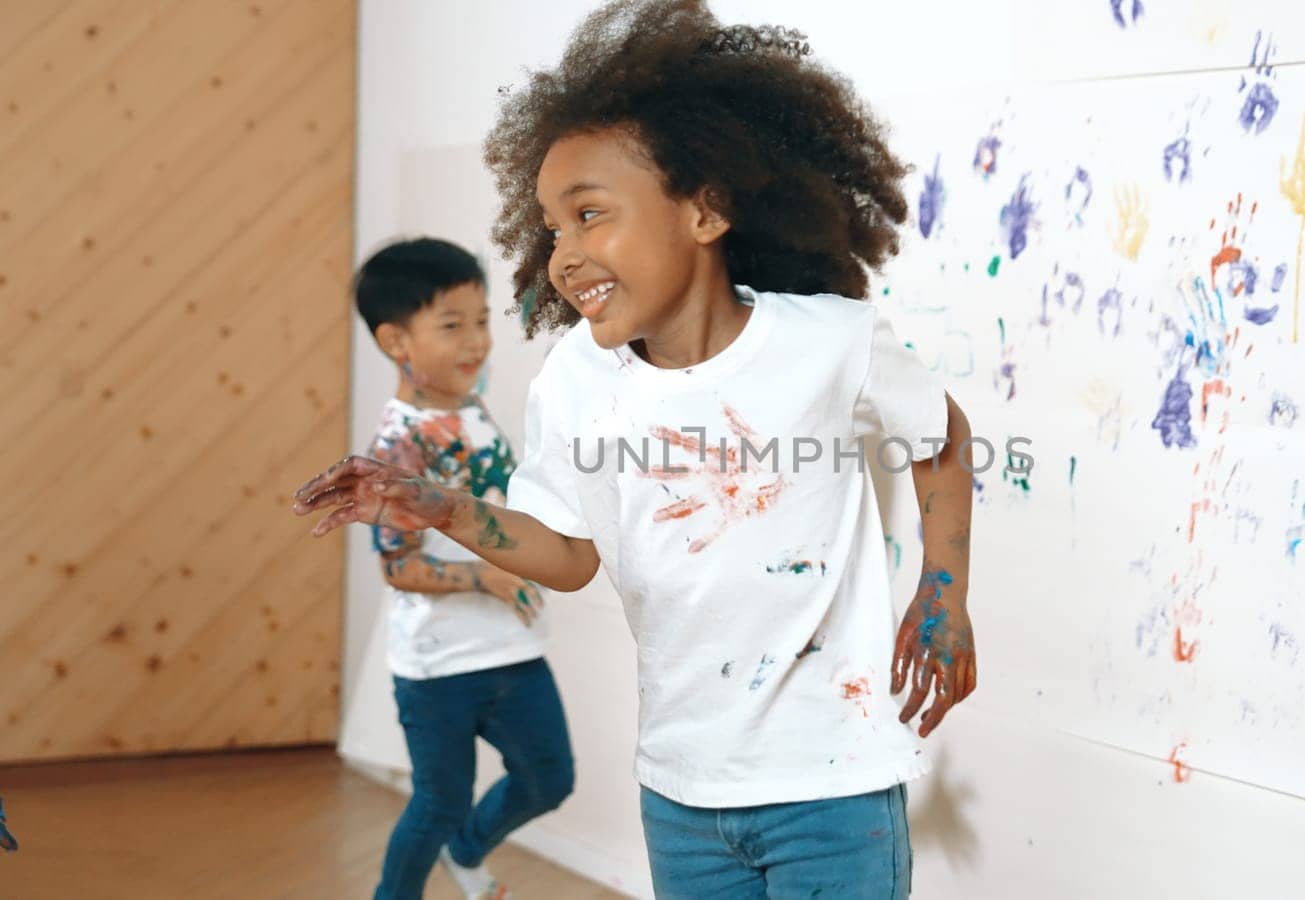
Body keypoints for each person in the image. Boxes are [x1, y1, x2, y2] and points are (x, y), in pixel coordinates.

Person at [298, 5, 976, 895]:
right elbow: (570, 555)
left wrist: (942, 590)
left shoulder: (827, 342)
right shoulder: (579, 381)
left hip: (831, 786)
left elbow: (940, 432)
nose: (564, 255)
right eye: (552, 228)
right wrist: (437, 504)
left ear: (706, 209)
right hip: (680, 790)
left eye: (590, 215)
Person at [353, 238, 574, 900]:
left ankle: (467, 852)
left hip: (513, 649)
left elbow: (502, 500)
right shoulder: (397, 446)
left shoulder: (471, 408)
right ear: (397, 341)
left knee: (548, 779)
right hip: (438, 667)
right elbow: (400, 569)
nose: (476, 342)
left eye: (481, 321)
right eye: (452, 326)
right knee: (439, 801)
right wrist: (492, 578)